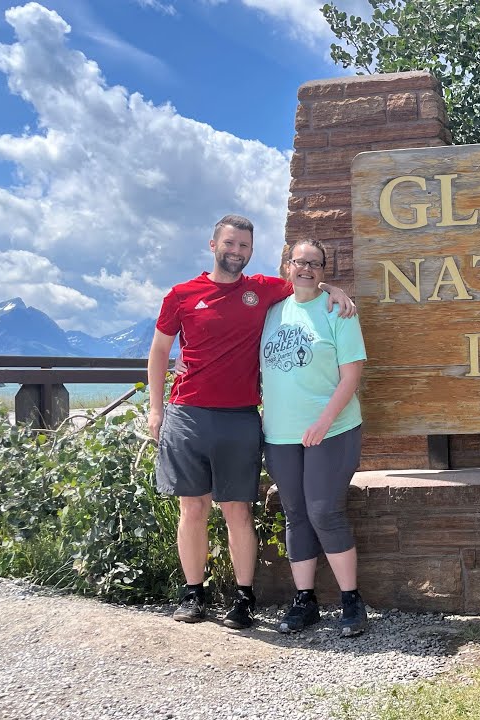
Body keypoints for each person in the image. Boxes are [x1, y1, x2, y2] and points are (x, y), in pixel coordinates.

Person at [147, 215, 355, 629]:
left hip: (241, 417)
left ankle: (243, 598)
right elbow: (158, 352)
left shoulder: (261, 291)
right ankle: (194, 593)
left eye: (244, 246)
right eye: (230, 243)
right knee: (192, 507)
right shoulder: (181, 295)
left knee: (237, 509)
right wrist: (156, 409)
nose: (236, 251)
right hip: (187, 413)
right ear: (213, 244)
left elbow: (306, 282)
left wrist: (336, 289)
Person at [260, 238, 368, 637]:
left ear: (324, 272)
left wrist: (324, 421)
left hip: (333, 428)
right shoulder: (271, 312)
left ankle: (351, 601)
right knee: (296, 513)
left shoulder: (338, 311)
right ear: (287, 266)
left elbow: (351, 375)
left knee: (325, 511)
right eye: (300, 262)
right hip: (281, 434)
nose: (307, 269)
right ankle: (304, 601)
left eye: (316, 264)